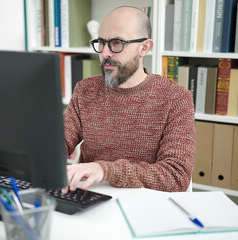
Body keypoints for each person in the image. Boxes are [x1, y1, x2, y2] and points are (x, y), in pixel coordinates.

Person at [62, 6, 195, 194]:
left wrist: (105, 170)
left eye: (116, 43)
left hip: (146, 207)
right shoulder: (85, 90)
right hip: (91, 197)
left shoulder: (176, 98)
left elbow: (176, 176)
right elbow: (59, 142)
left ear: (144, 48)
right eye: (101, 42)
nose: (105, 53)